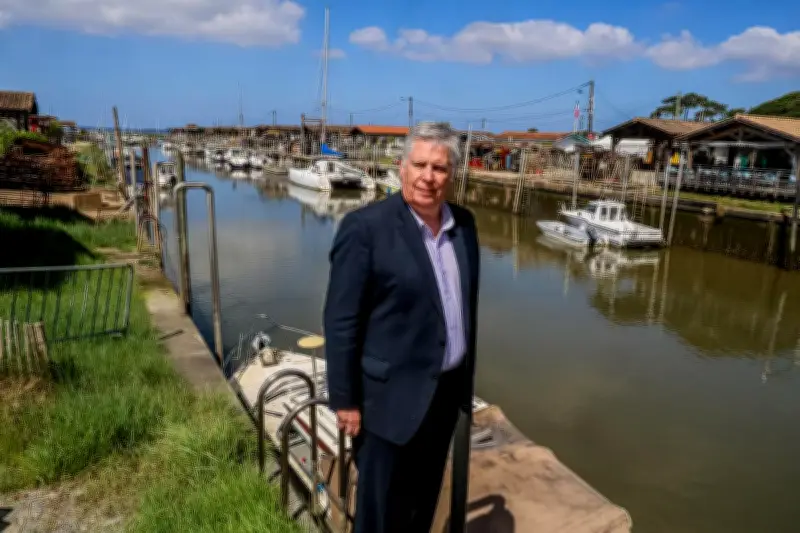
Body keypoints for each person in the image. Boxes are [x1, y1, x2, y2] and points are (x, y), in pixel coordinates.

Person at [323, 122, 480, 532]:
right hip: (385, 404)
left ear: (452, 174)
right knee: (380, 516)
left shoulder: (464, 225)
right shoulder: (365, 229)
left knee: (421, 508)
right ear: (402, 168)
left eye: (440, 168)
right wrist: (345, 400)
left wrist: (464, 385)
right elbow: (341, 321)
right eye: (421, 165)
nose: (429, 177)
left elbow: (465, 309)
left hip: (443, 395)